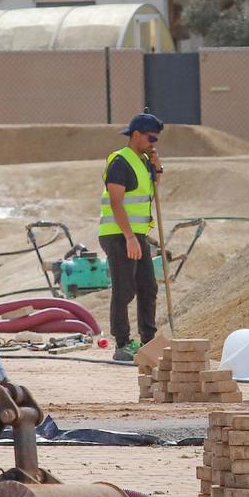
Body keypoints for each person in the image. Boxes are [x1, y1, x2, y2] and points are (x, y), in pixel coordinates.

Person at [99, 112, 163, 362]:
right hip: (118, 235)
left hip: (136, 234)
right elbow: (116, 203)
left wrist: (157, 167)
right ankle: (122, 343)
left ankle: (149, 340)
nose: (154, 143)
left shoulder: (143, 161)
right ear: (136, 135)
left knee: (148, 286)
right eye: (150, 138)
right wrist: (129, 237)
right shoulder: (120, 162)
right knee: (124, 289)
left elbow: (152, 191)